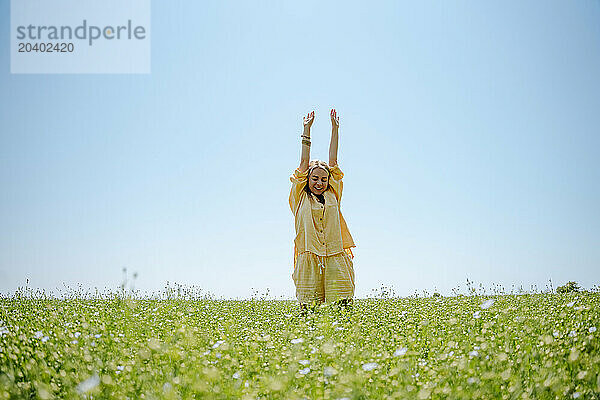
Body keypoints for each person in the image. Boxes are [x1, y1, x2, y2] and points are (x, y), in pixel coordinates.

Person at [289, 108, 356, 314]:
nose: (319, 182)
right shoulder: (300, 196)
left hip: (335, 253)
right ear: (307, 180)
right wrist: (306, 130)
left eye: (323, 179)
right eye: (315, 178)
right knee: (308, 309)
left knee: (343, 306)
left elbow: (333, 163)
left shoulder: (333, 194)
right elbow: (302, 164)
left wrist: (335, 129)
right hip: (310, 254)